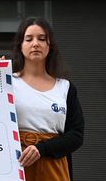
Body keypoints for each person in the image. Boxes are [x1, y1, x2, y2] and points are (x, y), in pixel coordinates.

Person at [11, 17, 84, 181]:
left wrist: (42, 149)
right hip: (16, 164)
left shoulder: (65, 88)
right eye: (28, 39)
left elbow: (76, 135)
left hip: (53, 167)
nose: (35, 43)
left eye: (42, 39)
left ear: (49, 46)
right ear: (20, 46)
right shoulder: (7, 82)